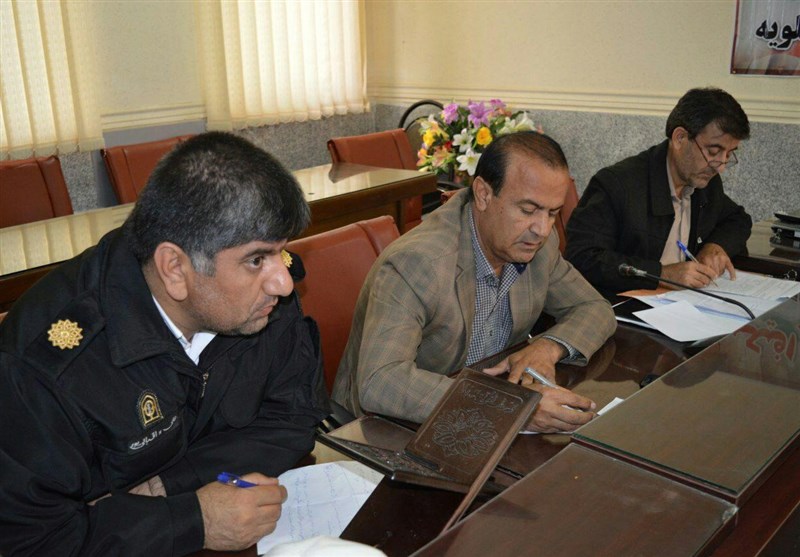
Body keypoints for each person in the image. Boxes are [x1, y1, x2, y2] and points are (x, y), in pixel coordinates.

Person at [0, 132, 330, 556]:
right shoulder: (44, 371)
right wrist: (193, 521)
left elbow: (294, 415)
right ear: (174, 268)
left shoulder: (257, 302)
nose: (283, 282)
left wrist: (169, 487)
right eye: (256, 259)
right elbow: (31, 542)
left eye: (280, 253)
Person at [332, 131, 616, 433]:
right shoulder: (418, 263)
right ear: (483, 194)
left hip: (478, 416)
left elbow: (594, 307)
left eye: (552, 213)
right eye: (528, 210)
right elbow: (382, 382)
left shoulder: (536, 247)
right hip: (390, 428)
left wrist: (547, 347)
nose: (542, 229)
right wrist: (512, 407)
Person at [565, 87, 752, 296]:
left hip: (684, 303)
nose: (721, 166)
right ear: (680, 138)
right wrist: (662, 274)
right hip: (622, 307)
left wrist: (715, 246)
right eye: (714, 151)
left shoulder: (705, 182)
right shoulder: (617, 184)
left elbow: (738, 219)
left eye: (729, 154)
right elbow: (582, 257)